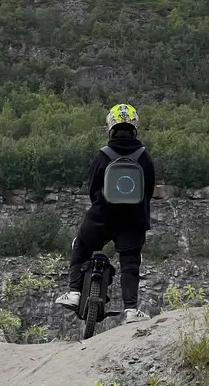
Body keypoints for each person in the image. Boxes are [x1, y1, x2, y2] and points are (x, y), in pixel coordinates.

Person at [55, 103, 155, 324]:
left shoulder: (103, 155)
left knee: (81, 245)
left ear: (111, 125)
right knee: (130, 262)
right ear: (134, 125)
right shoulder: (144, 156)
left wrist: (101, 207)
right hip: (133, 221)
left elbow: (92, 187)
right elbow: (148, 190)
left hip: (102, 217)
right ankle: (131, 311)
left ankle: (74, 292)